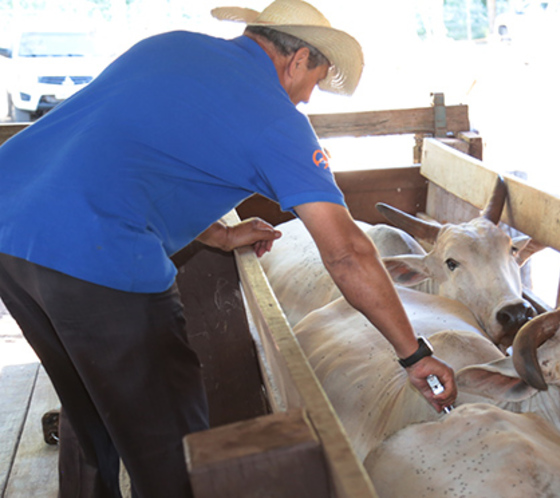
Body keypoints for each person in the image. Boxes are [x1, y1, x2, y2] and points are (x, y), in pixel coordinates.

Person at [0, 1, 457, 496]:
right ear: (298, 58)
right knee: (172, 450)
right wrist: (413, 355)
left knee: (88, 412)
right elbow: (346, 252)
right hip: (98, 257)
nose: (307, 99)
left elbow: (122, 157)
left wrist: (215, 234)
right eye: (316, 82)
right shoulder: (276, 120)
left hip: (11, 229)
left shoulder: (170, 46)